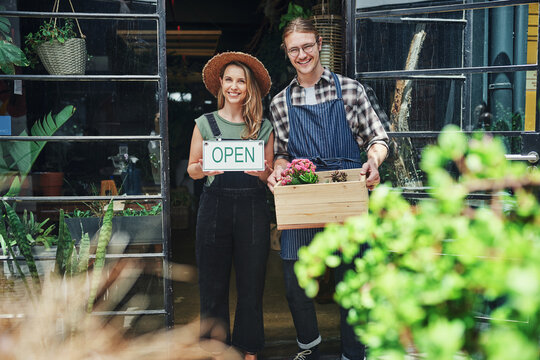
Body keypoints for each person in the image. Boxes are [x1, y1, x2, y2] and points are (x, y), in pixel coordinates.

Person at [266, 18, 389, 360]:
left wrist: (373, 163)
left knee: (352, 279)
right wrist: (277, 173)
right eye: (294, 49)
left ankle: (354, 352)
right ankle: (309, 346)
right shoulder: (280, 103)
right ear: (287, 53)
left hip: (346, 195)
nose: (302, 54)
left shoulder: (349, 90)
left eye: (307, 46)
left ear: (319, 43)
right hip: (302, 199)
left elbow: (377, 138)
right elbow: (281, 155)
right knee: (295, 281)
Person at [187, 52, 274, 360]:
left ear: (249, 88)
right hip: (214, 208)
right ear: (220, 85)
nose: (234, 87)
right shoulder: (205, 123)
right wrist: (204, 170)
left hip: (252, 208)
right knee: (213, 282)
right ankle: (216, 349)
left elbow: (269, 174)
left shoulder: (263, 127)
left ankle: (249, 349)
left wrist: (260, 171)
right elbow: (192, 169)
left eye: (241, 81)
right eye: (229, 80)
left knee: (252, 282)